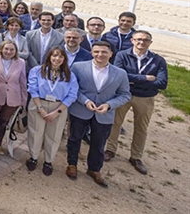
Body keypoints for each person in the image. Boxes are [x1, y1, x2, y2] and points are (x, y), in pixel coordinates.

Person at [67, 42, 132, 187]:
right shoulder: (78, 67)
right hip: (81, 109)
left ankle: (94, 169)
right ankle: (72, 164)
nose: (100, 55)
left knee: (99, 143)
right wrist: (85, 101)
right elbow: (72, 88)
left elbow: (125, 95)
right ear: (91, 52)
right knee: (74, 138)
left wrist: (109, 105)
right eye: (96, 52)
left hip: (104, 114)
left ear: (111, 54)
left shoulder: (120, 73)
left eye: (104, 52)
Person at [107, 30, 168, 175]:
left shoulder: (158, 60)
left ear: (150, 43)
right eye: (138, 39)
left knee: (141, 127)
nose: (142, 42)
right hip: (123, 95)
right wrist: (146, 78)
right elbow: (120, 75)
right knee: (115, 123)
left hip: (145, 98)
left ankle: (136, 157)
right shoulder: (122, 55)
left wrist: (132, 80)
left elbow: (162, 83)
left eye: (145, 40)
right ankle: (110, 150)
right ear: (132, 40)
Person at [26, 46, 78, 175]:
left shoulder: (70, 75)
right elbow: (33, 89)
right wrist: (40, 109)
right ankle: (33, 157)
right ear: (49, 56)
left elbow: (72, 95)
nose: (57, 58)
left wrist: (57, 112)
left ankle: (48, 161)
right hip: (38, 104)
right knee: (35, 132)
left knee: (54, 135)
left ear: (64, 59)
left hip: (59, 107)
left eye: (61, 56)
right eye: (54, 55)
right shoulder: (36, 71)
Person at [0, 40, 28, 155]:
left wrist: (23, 100)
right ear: (1, 49)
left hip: (13, 97)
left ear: (15, 51)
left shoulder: (21, 62)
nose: (8, 52)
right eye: (6, 49)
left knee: (3, 121)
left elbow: (23, 81)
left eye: (12, 49)